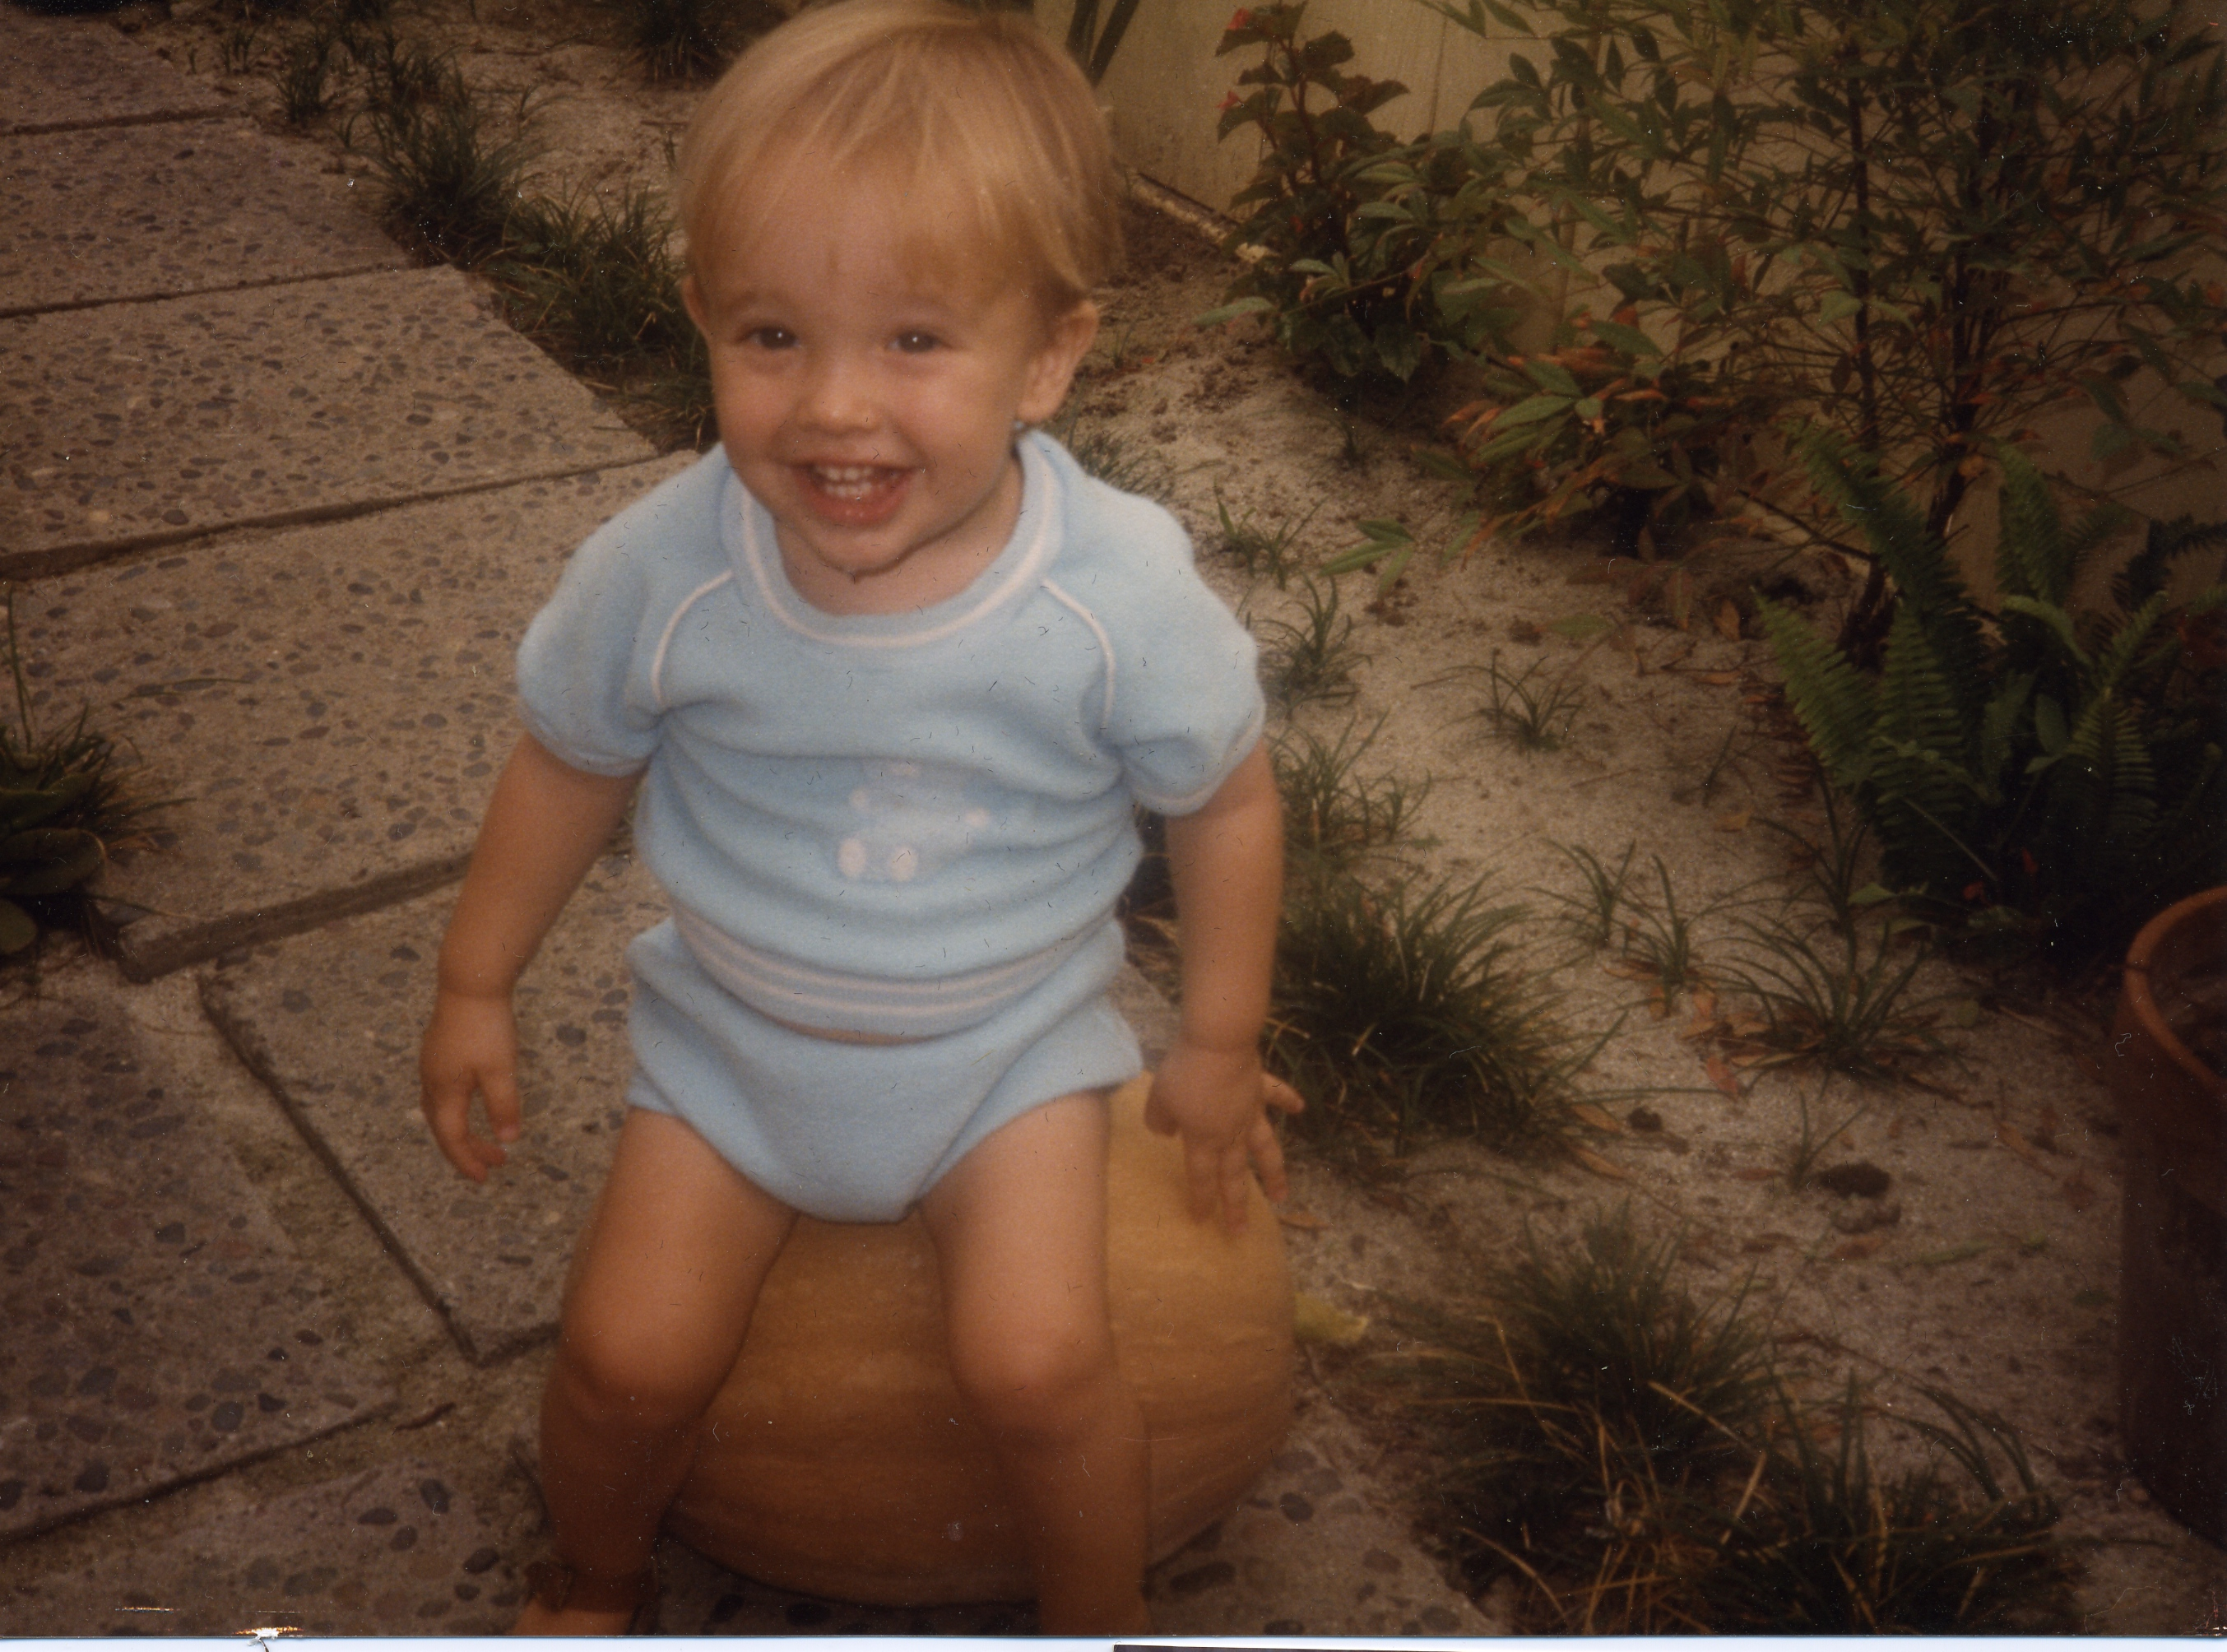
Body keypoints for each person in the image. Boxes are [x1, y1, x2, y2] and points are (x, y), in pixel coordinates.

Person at [417, 0, 1296, 1634]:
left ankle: (1093, 1615)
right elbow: (566, 760)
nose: (833, 404)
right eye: (772, 335)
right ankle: (594, 1576)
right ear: (701, 319)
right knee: (620, 1363)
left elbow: (1227, 798)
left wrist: (1219, 1036)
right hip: (733, 1054)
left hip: (1005, 1059)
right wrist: (476, 980)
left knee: (1040, 1366)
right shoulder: (663, 570)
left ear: (1049, 357)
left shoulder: (1112, 597)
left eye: (913, 341)